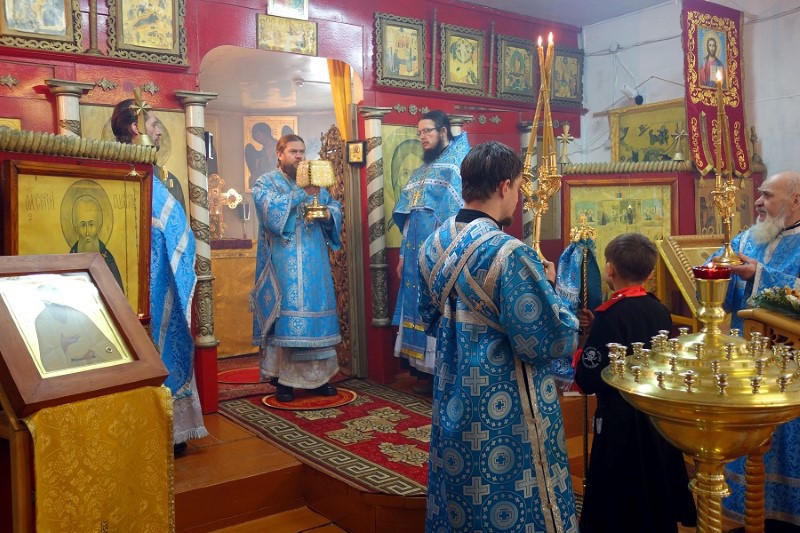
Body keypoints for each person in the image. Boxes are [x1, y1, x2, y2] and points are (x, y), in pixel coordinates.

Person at [418, 141, 580, 532]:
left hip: (452, 391)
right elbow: (549, 340)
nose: (518, 197)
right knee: (511, 494)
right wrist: (554, 290)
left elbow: (429, 317)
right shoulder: (510, 254)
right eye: (519, 187)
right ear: (505, 186)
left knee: (460, 490)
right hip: (505, 406)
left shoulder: (433, 245)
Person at [574, 233, 697, 532]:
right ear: (651, 274)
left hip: (620, 422)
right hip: (656, 419)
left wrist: (585, 345)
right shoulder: (659, 310)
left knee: (618, 497)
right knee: (654, 486)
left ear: (610, 269)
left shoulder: (609, 315)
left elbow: (588, 379)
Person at [110, 98, 208, 454]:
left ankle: (168, 430)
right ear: (135, 127)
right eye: (153, 123)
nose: (159, 131)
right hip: (139, 279)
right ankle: (151, 431)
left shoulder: (153, 173)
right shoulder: (126, 169)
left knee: (163, 345)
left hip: (159, 277)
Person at [715, 171, 800, 530]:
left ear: (796, 200)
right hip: (746, 363)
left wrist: (760, 275)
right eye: (760, 195)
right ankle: (749, 518)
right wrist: (714, 274)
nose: (759, 202)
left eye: (767, 195)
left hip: (791, 368)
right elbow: (719, 280)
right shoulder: (746, 238)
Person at [250, 134, 343, 403]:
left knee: (316, 314)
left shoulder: (315, 183)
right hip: (283, 262)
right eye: (293, 151)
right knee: (287, 318)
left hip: (315, 261)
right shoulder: (266, 182)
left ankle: (319, 378)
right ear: (280, 154)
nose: (299, 156)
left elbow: (333, 207)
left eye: (302, 151)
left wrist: (328, 213)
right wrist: (302, 194)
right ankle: (284, 380)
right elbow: (269, 212)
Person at [392, 110, 468, 394]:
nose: (422, 137)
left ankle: (443, 375)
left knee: (438, 306)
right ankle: (425, 374)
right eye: (419, 133)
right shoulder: (421, 171)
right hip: (414, 255)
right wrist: (403, 255)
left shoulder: (457, 165)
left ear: (443, 130)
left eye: (427, 131)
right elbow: (409, 217)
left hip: (441, 252)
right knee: (418, 305)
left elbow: (458, 214)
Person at [35, 283, 124, 373]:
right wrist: (63, 346)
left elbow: (100, 339)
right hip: (70, 369)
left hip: (94, 360)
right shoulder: (42, 321)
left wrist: (93, 351)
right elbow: (48, 357)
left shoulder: (76, 314)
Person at [68, 193, 124, 290]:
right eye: (83, 225)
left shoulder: (108, 260)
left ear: (99, 226)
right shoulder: (69, 260)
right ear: (76, 229)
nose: (87, 232)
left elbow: (118, 293)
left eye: (91, 224)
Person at [245, 122, 277, 191]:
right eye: (255, 138)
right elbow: (259, 170)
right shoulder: (261, 154)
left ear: (265, 132)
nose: (258, 139)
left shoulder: (281, 147)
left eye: (258, 135)